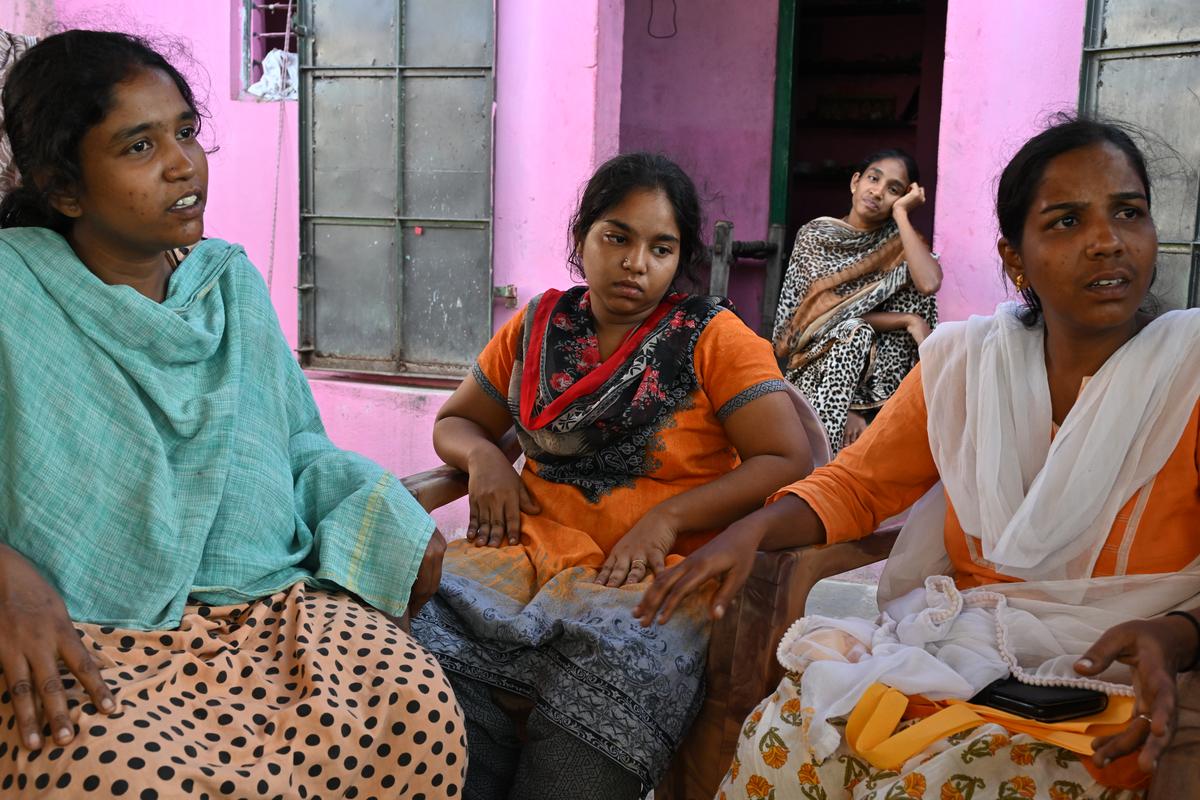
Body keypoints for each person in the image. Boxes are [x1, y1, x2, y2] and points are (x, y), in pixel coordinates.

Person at [635, 116, 1200, 799]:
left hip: (1110, 681)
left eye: (1128, 213)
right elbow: (856, 486)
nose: (1108, 241)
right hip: (959, 651)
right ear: (1014, 259)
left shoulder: (1190, 374)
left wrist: (1175, 636)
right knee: (785, 738)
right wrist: (749, 530)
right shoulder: (966, 367)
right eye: (1067, 221)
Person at [0, 30, 463, 797]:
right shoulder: (15, 292)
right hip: (92, 631)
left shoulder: (228, 287)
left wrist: (385, 520)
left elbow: (297, 450)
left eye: (184, 131)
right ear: (63, 185)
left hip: (268, 611)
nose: (183, 164)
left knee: (413, 710)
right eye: (139, 146)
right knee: (109, 773)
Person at [410, 152, 814, 799]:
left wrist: (669, 517)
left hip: (641, 584)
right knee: (418, 680)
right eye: (617, 237)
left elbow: (786, 457)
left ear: (679, 259)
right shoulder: (538, 325)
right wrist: (485, 458)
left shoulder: (713, 337)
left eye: (661, 247)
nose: (635, 263)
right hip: (515, 562)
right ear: (582, 238)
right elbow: (457, 421)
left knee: (591, 733)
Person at [773, 148, 941, 451]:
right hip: (817, 366)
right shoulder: (816, 237)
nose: (877, 192)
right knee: (855, 332)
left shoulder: (899, 245)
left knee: (902, 294)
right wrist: (905, 320)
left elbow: (929, 283)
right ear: (855, 182)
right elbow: (810, 325)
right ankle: (821, 464)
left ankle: (869, 413)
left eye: (893, 190)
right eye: (873, 179)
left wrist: (901, 215)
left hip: (879, 381)